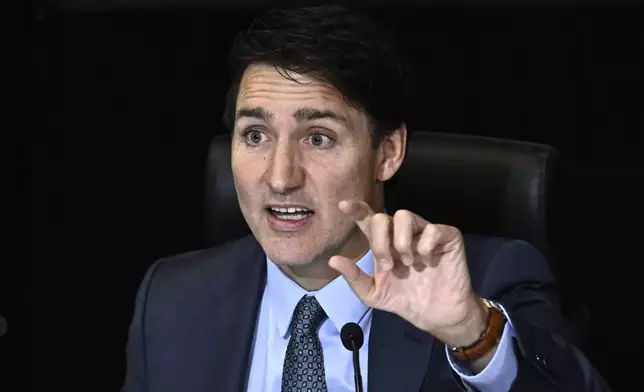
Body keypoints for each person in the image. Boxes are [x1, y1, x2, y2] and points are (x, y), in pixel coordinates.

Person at [122, 5, 611, 392]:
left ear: (388, 153)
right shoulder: (172, 300)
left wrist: (472, 335)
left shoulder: (489, 283)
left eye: (318, 138)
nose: (280, 177)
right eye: (255, 136)